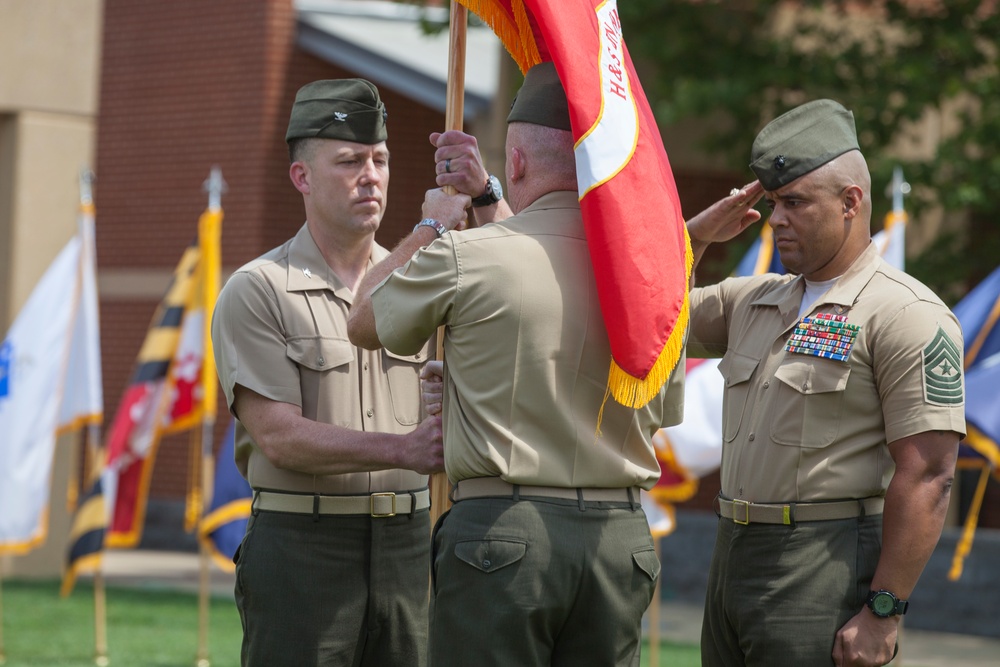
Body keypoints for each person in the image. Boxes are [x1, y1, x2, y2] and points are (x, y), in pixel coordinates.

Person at [347, 61, 685, 667]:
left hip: (505, 534)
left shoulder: (467, 255)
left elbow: (365, 320)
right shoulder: (654, 278)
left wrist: (433, 224)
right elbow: (663, 408)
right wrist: (486, 199)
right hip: (620, 541)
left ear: (519, 163)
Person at [685, 99, 967, 667]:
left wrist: (883, 612)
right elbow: (648, 317)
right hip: (731, 554)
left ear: (850, 202)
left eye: (794, 202)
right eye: (771, 204)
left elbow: (929, 474)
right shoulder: (756, 298)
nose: (775, 219)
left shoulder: (906, 312)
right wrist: (694, 237)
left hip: (820, 562)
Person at [211, 78, 444, 667]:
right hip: (304, 550)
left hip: (410, 549)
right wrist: (405, 448)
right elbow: (279, 436)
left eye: (381, 159)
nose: (371, 175)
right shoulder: (258, 289)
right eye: (349, 161)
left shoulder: (422, 287)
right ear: (302, 177)